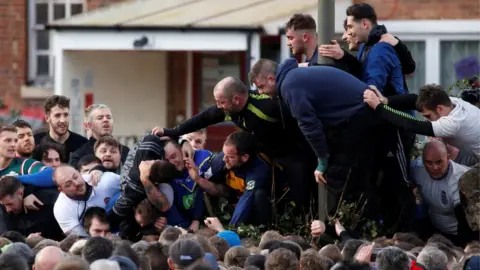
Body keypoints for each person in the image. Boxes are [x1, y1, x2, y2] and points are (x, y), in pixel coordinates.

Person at [153, 76, 316, 213]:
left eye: (221, 102)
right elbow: (204, 118)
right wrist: (172, 132)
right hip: (263, 153)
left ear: (236, 99)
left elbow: (299, 120)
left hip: (293, 152)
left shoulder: (266, 107)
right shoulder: (229, 110)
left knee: (301, 194)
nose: (218, 106)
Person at [249, 58, 381, 219]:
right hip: (362, 115)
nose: (261, 93)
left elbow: (309, 125)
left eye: (261, 87)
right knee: (360, 178)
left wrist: (322, 160)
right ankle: (365, 226)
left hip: (356, 119)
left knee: (337, 177)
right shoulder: (296, 75)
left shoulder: (289, 86)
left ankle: (337, 229)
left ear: (271, 78)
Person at [364, 84, 480, 156]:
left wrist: (378, 107)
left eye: (428, 116)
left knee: (466, 186)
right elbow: (416, 99)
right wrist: (386, 101)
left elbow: (412, 125)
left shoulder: (454, 122)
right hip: (473, 153)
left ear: (439, 108)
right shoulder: (452, 102)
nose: (428, 120)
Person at [189, 131, 272, 226]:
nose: (224, 159)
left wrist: (230, 231)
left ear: (245, 157)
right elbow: (203, 186)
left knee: (258, 195)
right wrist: (198, 178)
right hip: (229, 203)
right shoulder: (221, 160)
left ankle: (262, 230)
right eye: (224, 154)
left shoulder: (259, 170)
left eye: (230, 157)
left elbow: (246, 200)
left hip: (253, 209)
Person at [52, 164, 120, 237]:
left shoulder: (105, 181)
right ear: (61, 190)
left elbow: (132, 187)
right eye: (68, 184)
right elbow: (81, 240)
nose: (77, 183)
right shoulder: (62, 209)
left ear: (79, 173)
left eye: (75, 177)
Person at [0, 176, 63, 240]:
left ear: (20, 193)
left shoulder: (47, 201)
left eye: (10, 204)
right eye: (4, 205)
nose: (7, 210)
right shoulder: (5, 210)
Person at [34, 95, 88, 161]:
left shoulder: (82, 143)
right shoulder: (36, 142)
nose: (63, 120)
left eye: (66, 115)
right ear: (47, 118)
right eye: (57, 115)